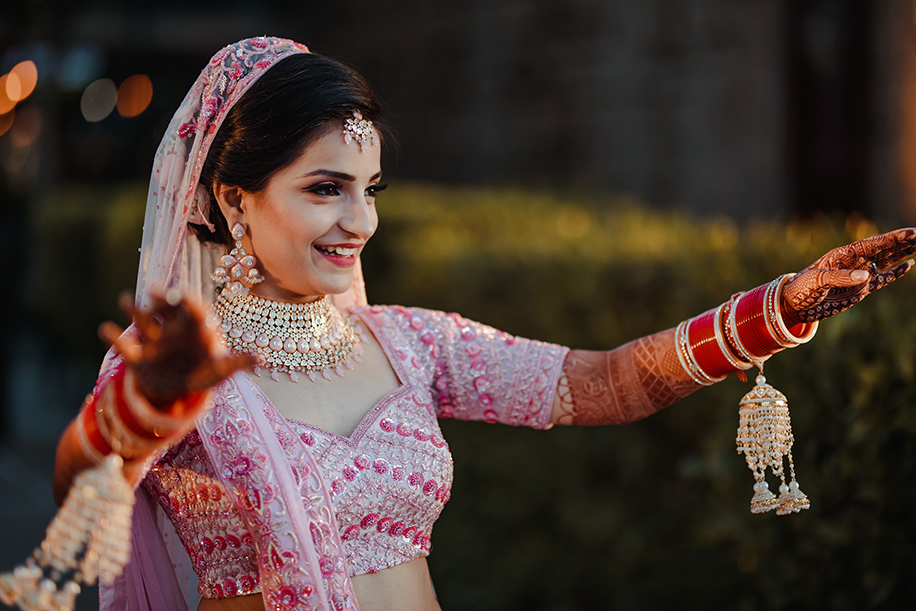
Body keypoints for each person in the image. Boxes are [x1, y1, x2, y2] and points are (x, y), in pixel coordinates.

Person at [43, 37, 916, 611]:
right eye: (324, 189)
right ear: (234, 198)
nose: (359, 222)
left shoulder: (411, 345)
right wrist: (140, 414)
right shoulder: (180, 367)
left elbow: (599, 384)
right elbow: (81, 477)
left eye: (368, 189)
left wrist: (780, 309)